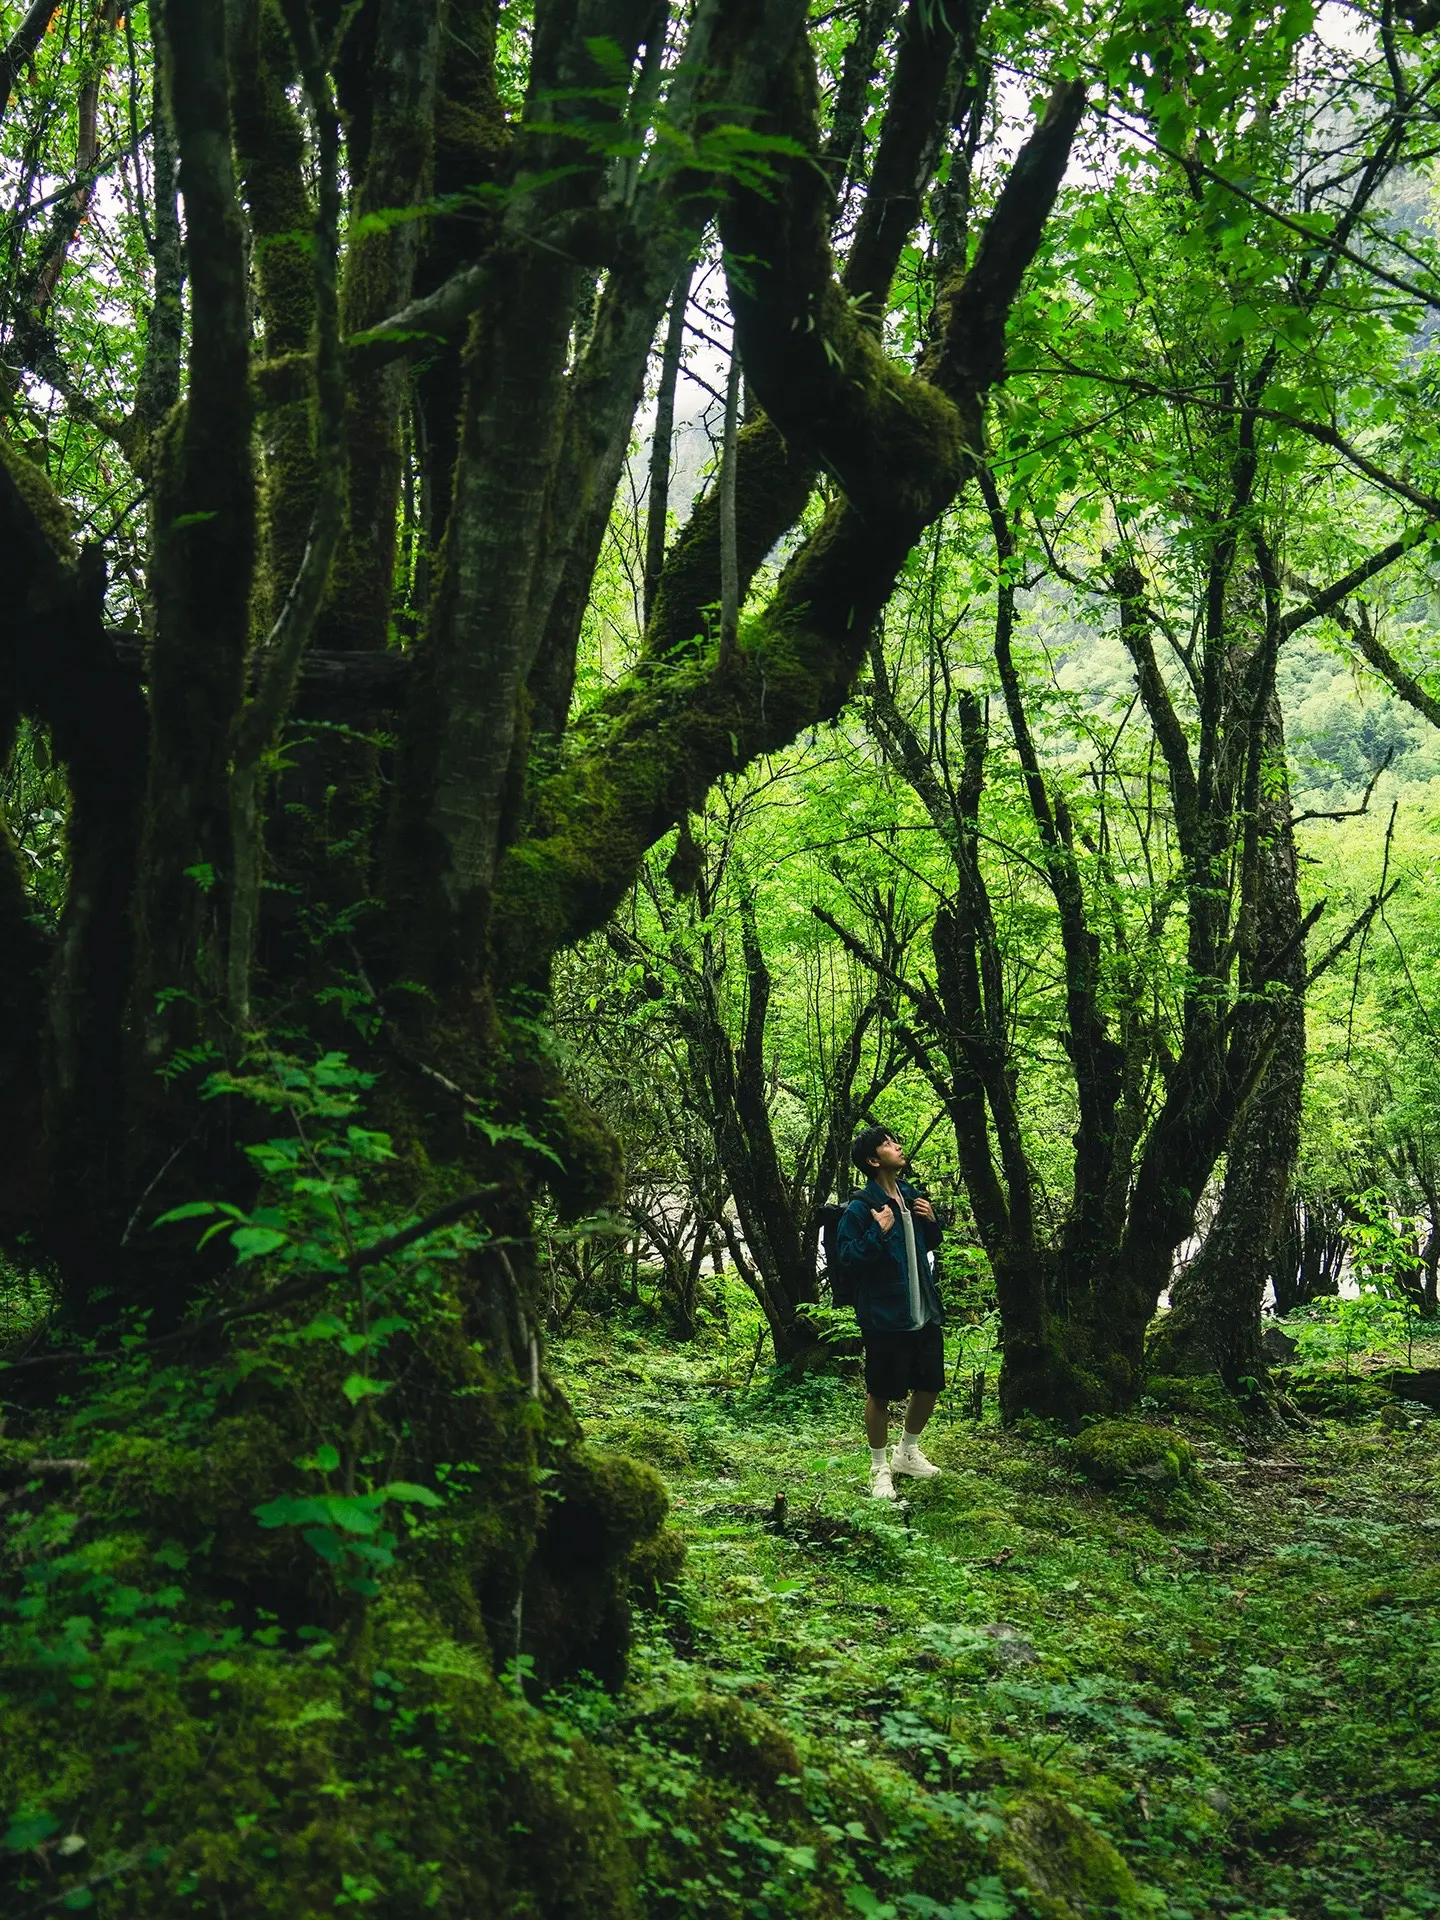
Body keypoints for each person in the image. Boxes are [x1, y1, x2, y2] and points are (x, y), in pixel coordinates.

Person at [836, 1126, 945, 1499]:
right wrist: (877, 1232)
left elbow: (931, 1243)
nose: (896, 1146)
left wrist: (932, 1221)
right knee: (881, 1392)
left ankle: (907, 1453)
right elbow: (847, 1259)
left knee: (930, 1384)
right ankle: (879, 1467)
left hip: (923, 1310)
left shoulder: (912, 1197)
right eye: (887, 1144)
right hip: (885, 1315)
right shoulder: (860, 1208)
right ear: (873, 1160)